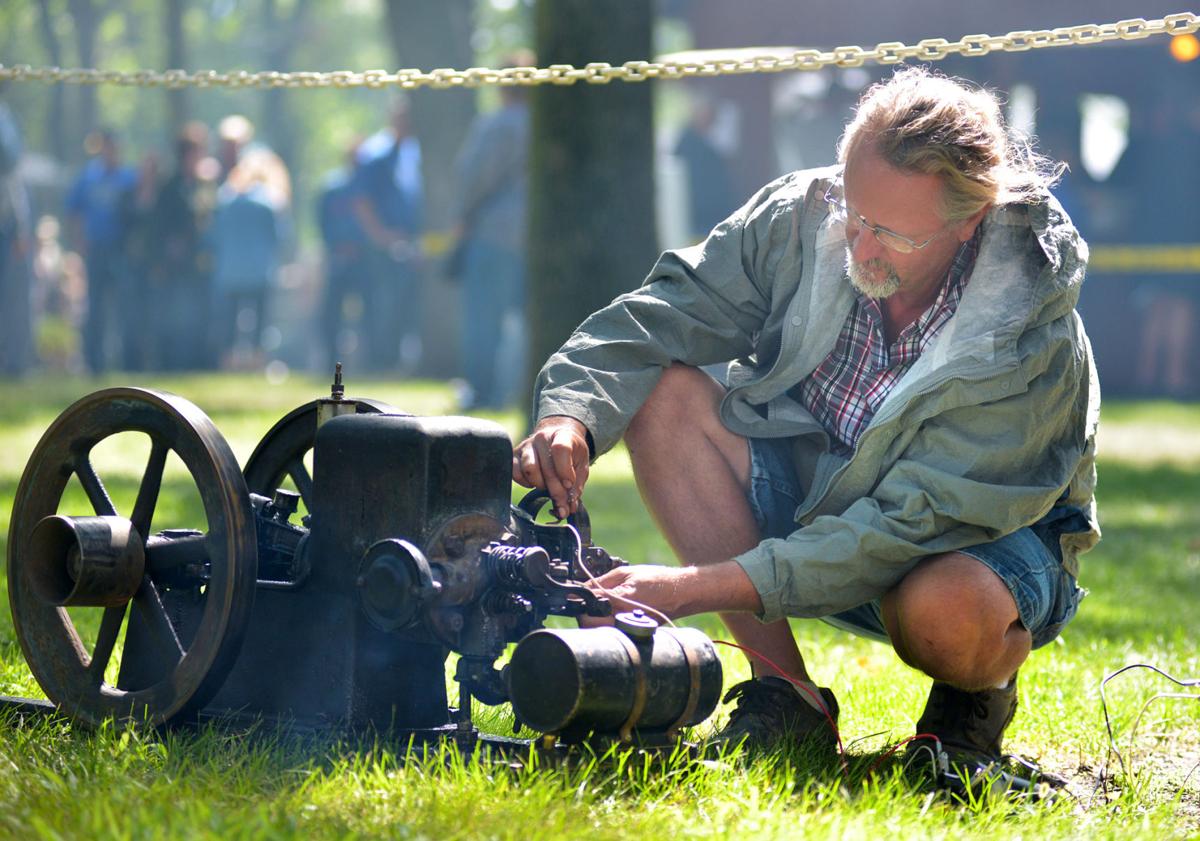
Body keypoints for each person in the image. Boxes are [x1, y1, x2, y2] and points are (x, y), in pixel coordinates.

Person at [513, 67, 1100, 767]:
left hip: (964, 551)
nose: (859, 246)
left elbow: (894, 532)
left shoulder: (1028, 340)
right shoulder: (801, 216)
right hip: (818, 503)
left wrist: (688, 588)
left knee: (945, 613)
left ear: (969, 219)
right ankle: (789, 697)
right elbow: (663, 316)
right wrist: (570, 413)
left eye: (891, 234)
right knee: (665, 397)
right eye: (855, 212)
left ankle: (974, 694)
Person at [450, 58, 531, 409]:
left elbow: (475, 179)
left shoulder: (498, 125)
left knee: (484, 319)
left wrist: (462, 216)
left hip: (493, 234)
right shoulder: (547, 126)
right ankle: (518, 388)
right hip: (532, 239)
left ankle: (482, 391)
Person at [354, 96, 424, 372]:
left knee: (404, 305)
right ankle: (378, 361)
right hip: (381, 246)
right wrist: (381, 236)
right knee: (380, 304)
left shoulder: (414, 152)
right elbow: (362, 202)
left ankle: (397, 361)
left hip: (408, 243)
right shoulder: (375, 154)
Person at [65, 128, 138, 375]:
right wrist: (79, 240)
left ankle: (125, 359)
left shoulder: (128, 177)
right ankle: (93, 361)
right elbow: (74, 211)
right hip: (96, 248)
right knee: (95, 307)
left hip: (120, 249)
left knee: (124, 305)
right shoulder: (88, 177)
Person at [210, 148, 289, 370]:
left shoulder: (224, 200)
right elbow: (279, 236)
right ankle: (256, 364)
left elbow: (214, 235)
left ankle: (227, 364)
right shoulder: (269, 203)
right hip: (259, 271)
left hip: (229, 272)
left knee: (228, 323)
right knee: (259, 324)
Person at [318, 139, 371, 370]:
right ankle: (331, 359)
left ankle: (369, 359)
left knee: (370, 311)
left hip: (364, 259)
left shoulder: (370, 188)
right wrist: (336, 245)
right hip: (339, 257)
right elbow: (323, 221)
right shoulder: (333, 187)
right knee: (332, 313)